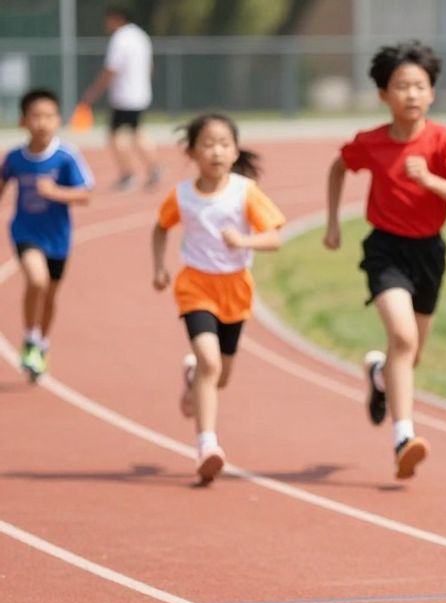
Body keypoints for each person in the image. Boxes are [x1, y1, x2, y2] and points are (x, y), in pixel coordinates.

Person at [324, 41, 446, 481]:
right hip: (385, 250)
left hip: (429, 252)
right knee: (404, 338)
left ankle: (378, 377)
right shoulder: (371, 143)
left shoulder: (444, 141)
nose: (411, 94)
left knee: (407, 356)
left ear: (432, 93)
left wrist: (429, 179)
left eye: (420, 86)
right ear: (383, 95)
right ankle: (403, 437)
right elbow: (338, 167)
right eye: (401, 86)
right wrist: (334, 222)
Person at [151, 113, 285, 483]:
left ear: (235, 150)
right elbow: (161, 228)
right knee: (210, 361)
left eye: (224, 144)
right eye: (208, 144)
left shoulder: (245, 192)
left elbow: (274, 237)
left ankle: (193, 376)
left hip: (235, 289)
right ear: (192, 151)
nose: (216, 151)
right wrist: (159, 268)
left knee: (219, 376)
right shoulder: (182, 195)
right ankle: (207, 445)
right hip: (195, 287)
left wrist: (244, 241)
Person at [2, 88, 94, 382]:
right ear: (23, 121)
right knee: (36, 279)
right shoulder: (15, 157)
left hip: (58, 237)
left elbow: (85, 194)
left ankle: (41, 343)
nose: (42, 122)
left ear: (58, 120)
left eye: (49, 116)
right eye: (36, 116)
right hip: (25, 231)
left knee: (51, 295)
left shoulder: (66, 156)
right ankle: (30, 338)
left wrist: (55, 192)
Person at [79, 6, 160, 191]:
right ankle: (154, 167)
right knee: (136, 130)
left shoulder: (120, 39)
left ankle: (128, 174)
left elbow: (111, 69)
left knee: (116, 135)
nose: (106, 25)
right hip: (140, 93)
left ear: (117, 19)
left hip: (124, 95)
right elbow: (150, 66)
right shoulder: (141, 36)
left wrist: (94, 91)